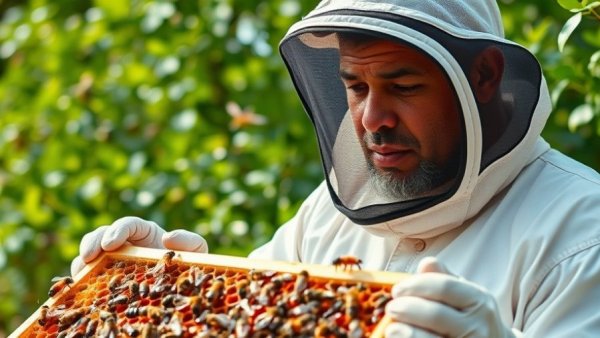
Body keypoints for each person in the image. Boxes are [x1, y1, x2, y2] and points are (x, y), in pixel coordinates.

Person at [70, 1, 600, 337]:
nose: (373, 118)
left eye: (403, 86)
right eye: (355, 87)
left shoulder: (582, 233)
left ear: (484, 76)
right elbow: (253, 316)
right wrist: (177, 288)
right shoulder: (329, 214)